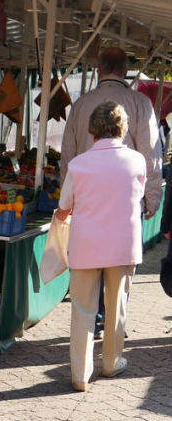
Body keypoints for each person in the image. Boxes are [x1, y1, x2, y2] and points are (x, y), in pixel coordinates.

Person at [55, 102, 146, 392]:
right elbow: (137, 197)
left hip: (85, 245)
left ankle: (80, 374)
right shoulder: (138, 162)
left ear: (92, 130)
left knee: (82, 309)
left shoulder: (78, 164)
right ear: (123, 129)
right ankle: (111, 362)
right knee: (116, 306)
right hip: (122, 244)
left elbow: (64, 206)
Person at [60, 46, 161, 215]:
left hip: (86, 200)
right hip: (127, 203)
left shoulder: (79, 104)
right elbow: (149, 152)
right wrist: (152, 200)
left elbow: (68, 154)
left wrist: (67, 200)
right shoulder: (141, 102)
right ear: (125, 70)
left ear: (99, 69)